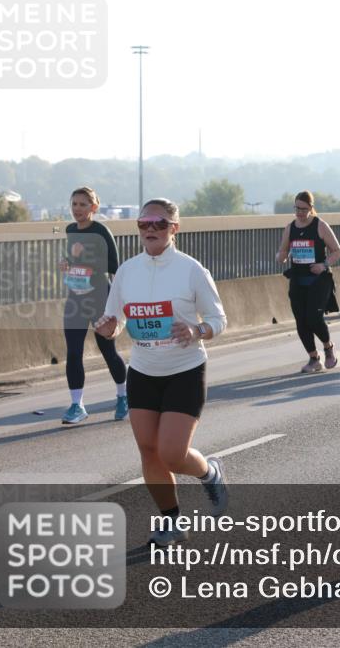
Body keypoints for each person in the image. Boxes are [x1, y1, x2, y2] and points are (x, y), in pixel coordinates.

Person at [95, 198, 229, 546]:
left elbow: (218, 319)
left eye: (159, 223)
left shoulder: (190, 269)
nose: (150, 229)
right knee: (148, 449)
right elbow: (117, 321)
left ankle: (210, 472)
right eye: (144, 223)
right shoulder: (127, 271)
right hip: (142, 370)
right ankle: (171, 522)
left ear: (174, 228)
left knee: (171, 452)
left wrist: (196, 331)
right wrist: (109, 327)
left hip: (184, 369)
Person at [59, 187, 129, 425]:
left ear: (94, 208)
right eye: (74, 204)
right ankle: (77, 405)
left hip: (100, 298)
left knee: (108, 351)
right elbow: (73, 258)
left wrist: (86, 262)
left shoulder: (101, 231)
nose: (77, 209)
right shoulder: (70, 230)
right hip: (75, 298)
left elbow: (114, 265)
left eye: (83, 204)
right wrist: (67, 263)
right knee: (73, 352)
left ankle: (123, 396)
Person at [276, 190, 340, 373]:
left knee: (314, 318)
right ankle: (314, 359)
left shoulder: (320, 226)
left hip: (318, 280)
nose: (299, 212)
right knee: (301, 321)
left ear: (311, 208)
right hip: (298, 279)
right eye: (296, 208)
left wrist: (323, 265)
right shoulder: (290, 227)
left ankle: (328, 347)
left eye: (303, 209)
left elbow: (337, 251)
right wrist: (280, 257)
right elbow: (283, 251)